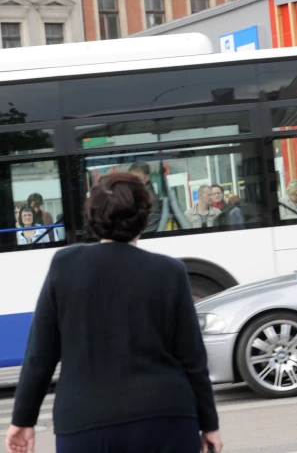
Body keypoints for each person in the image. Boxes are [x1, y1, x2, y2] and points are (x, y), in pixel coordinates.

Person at [5, 173, 222, 453]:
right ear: (143, 218)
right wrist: (209, 423)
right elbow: (192, 358)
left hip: (85, 422)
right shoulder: (170, 272)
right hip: (166, 417)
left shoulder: (65, 265)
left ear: (93, 217)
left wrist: (23, 419)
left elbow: (40, 354)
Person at [129, 162, 162, 233]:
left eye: (137, 178)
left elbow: (149, 228)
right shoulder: (139, 193)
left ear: (147, 178)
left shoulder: (148, 198)